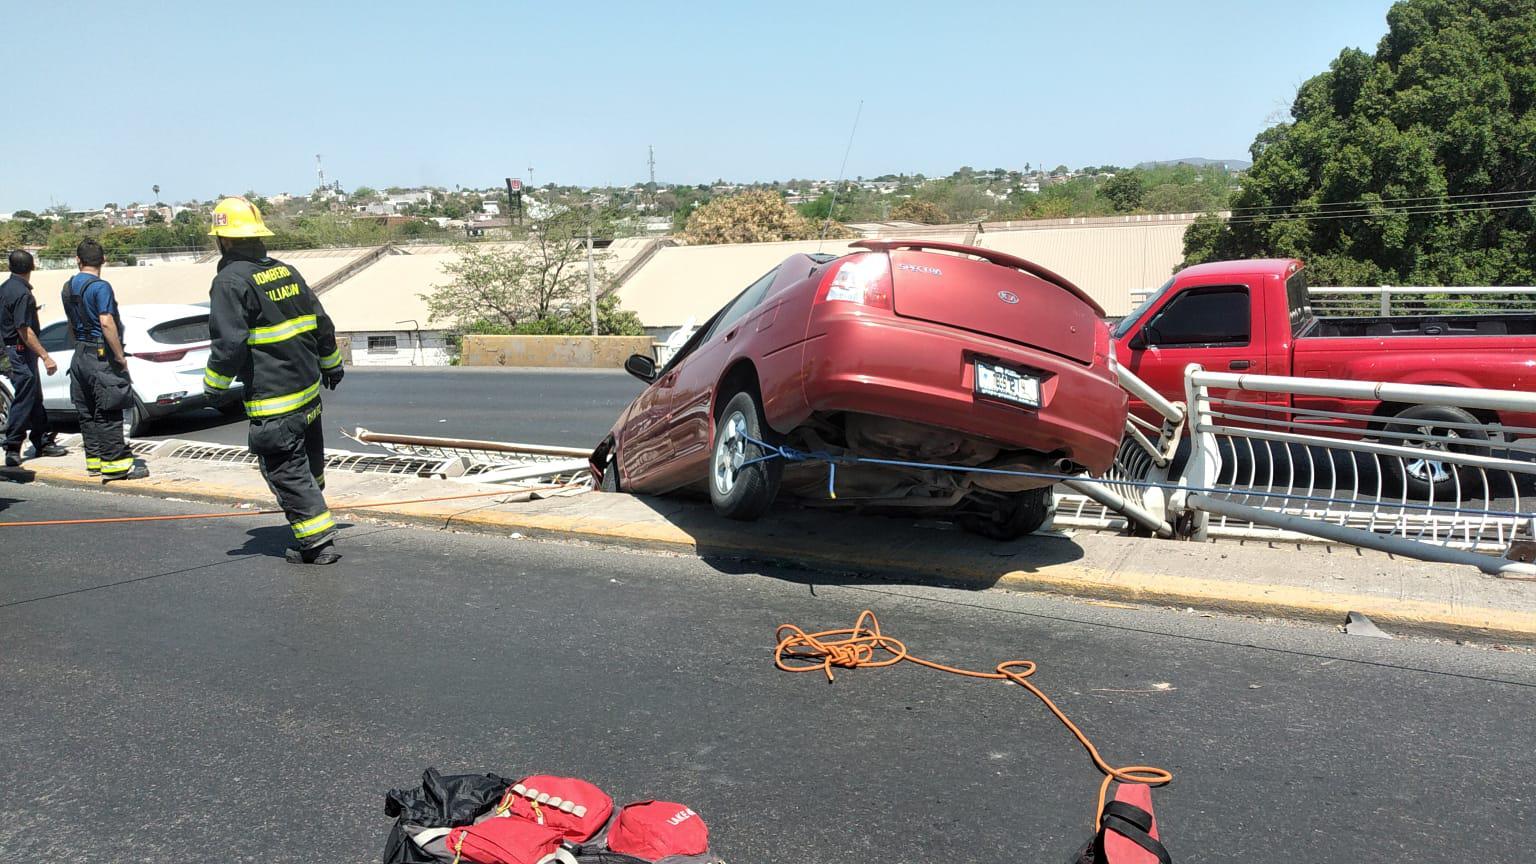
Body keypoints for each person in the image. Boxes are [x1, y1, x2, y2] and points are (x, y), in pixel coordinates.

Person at [202, 197, 345, 565]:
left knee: (285, 469)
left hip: (274, 401)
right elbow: (321, 323)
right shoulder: (286, 272)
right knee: (308, 465)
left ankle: (316, 543)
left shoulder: (230, 282)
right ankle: (314, 516)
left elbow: (229, 343)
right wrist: (331, 365)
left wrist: (214, 387)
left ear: (224, 240)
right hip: (308, 394)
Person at [63, 238, 146, 481]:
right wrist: (119, 357)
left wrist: (80, 348)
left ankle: (95, 463)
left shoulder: (68, 287)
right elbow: (106, 322)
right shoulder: (101, 287)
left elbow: (70, 323)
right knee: (109, 411)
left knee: (88, 412)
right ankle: (115, 467)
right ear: (104, 260)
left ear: (77, 260)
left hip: (79, 355)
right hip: (100, 356)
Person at [2, 250, 67, 467]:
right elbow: (24, 329)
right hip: (18, 351)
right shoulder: (22, 294)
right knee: (25, 396)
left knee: (33, 395)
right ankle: (13, 446)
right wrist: (45, 356)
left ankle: (41, 440)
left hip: (12, 350)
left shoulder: (5, 288)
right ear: (32, 266)